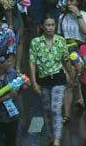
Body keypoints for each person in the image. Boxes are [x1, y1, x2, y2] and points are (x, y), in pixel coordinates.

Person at [29, 15, 72, 146]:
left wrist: (72, 76)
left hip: (58, 77)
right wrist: (33, 82)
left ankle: (57, 140)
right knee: (47, 109)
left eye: (53, 25)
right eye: (48, 25)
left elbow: (66, 60)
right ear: (42, 26)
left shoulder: (61, 40)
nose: (50, 28)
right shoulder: (35, 42)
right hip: (43, 79)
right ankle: (51, 137)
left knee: (55, 108)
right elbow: (32, 62)